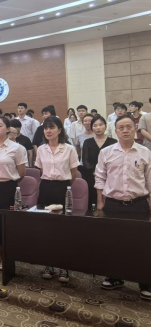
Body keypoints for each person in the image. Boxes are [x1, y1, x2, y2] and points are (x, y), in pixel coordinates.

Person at [94, 115, 151, 301]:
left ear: (135, 129)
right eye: (121, 127)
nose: (125, 130)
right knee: (113, 243)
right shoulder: (106, 152)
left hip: (139, 204)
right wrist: (100, 202)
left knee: (141, 245)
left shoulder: (145, 152)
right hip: (113, 204)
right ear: (116, 131)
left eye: (128, 127)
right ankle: (115, 277)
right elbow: (100, 177)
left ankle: (145, 282)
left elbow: (150, 180)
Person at [34, 116, 79, 283]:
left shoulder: (69, 149)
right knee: (46, 228)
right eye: (46, 128)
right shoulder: (41, 149)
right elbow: (41, 170)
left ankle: (63, 266)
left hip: (62, 188)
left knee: (62, 228)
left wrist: (64, 186)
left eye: (52, 127)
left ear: (60, 130)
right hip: (45, 188)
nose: (48, 131)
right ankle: (49, 264)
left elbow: (73, 174)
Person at [0, 116, 27, 271]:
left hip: (7, 189)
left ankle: (8, 258)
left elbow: (21, 172)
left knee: (5, 223)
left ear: (8, 129)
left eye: (0, 125)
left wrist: (9, 182)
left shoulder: (17, 148)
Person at [81, 116, 117, 209]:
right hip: (91, 176)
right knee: (92, 202)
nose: (98, 128)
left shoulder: (113, 142)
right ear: (92, 128)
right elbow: (85, 161)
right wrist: (96, 173)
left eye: (101, 125)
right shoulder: (87, 142)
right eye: (95, 125)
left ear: (105, 126)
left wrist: (105, 174)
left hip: (109, 177)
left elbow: (115, 161)